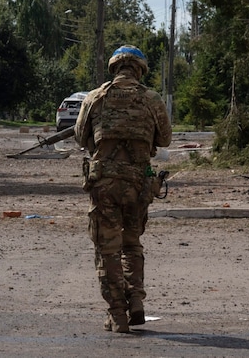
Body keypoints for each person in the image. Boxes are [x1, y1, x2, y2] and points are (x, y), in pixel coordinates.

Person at [75, 45, 172, 333]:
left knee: (107, 249)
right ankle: (137, 301)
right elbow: (165, 139)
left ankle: (118, 314)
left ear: (114, 68)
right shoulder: (151, 100)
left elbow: (81, 137)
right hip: (138, 185)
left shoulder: (95, 98)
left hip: (104, 184)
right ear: (140, 69)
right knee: (131, 244)